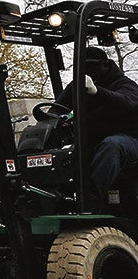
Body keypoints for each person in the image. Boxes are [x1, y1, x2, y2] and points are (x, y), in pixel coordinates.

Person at [53, 46, 138, 203]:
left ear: (105, 65)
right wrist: (51, 121)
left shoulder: (124, 84)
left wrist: (96, 92)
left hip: (130, 140)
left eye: (91, 67)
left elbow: (127, 103)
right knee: (62, 150)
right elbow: (56, 110)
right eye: (83, 68)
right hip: (92, 140)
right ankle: (55, 196)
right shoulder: (78, 86)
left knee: (112, 145)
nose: (87, 72)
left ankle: (90, 199)